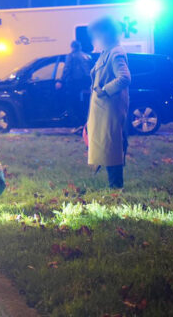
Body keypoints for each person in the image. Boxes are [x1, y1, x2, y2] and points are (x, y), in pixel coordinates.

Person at [86, 17, 131, 189]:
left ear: (105, 34)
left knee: (111, 146)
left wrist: (105, 90)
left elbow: (124, 78)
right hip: (103, 108)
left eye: (96, 35)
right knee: (106, 145)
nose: (94, 39)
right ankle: (113, 185)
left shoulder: (116, 52)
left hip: (110, 108)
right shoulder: (107, 51)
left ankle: (116, 186)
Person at [56, 40, 92, 130]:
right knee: (85, 104)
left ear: (72, 47)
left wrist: (60, 81)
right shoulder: (87, 56)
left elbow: (67, 69)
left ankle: (78, 124)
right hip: (86, 84)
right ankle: (87, 124)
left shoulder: (71, 56)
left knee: (74, 103)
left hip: (74, 83)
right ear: (80, 47)